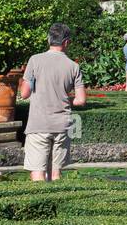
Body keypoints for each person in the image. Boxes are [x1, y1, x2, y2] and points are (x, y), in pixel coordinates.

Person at [20, 23, 86, 182]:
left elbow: (24, 94)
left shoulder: (34, 60)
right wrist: (65, 98)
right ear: (66, 42)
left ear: (49, 39)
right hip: (62, 125)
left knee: (37, 174)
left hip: (38, 124)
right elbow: (81, 100)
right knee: (56, 175)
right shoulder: (73, 66)